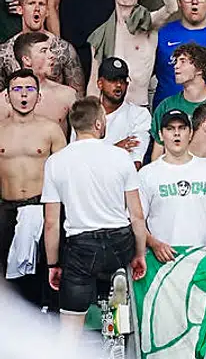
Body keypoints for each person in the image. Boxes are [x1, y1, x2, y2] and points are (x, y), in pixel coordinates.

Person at [39, 97, 147, 331]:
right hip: (120, 243)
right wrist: (139, 254)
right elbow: (137, 215)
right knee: (114, 280)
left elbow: (51, 223)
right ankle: (113, 307)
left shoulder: (56, 162)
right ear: (98, 124)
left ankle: (71, 355)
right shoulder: (120, 157)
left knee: (71, 322)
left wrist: (53, 264)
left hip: (81, 246)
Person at [0, 67, 68, 291]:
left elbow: (64, 175)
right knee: (8, 279)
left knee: (41, 279)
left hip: (41, 209)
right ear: (7, 95)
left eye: (29, 89)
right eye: (17, 89)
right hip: (6, 209)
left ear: (38, 97)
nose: (23, 95)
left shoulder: (51, 130)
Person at [138, 108, 206, 260]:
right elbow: (137, 220)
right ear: (160, 135)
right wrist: (154, 244)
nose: (176, 133)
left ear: (190, 133)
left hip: (202, 257)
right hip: (161, 259)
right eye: (170, 129)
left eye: (182, 128)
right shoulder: (146, 174)